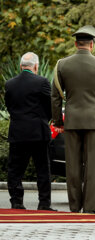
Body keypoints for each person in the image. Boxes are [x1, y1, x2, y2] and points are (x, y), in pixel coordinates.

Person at [51, 25, 95, 214]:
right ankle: (89, 208)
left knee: (72, 166)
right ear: (92, 44)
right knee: (93, 166)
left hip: (72, 121)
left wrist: (58, 122)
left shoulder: (62, 64)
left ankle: (74, 206)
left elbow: (55, 97)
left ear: (75, 43)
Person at [5, 52, 56, 211]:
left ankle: (16, 202)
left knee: (15, 170)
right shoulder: (42, 82)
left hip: (17, 132)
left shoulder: (9, 84)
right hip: (38, 132)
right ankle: (44, 204)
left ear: (21, 67)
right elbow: (49, 108)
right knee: (42, 169)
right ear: (36, 66)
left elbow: (9, 106)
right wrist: (43, 120)